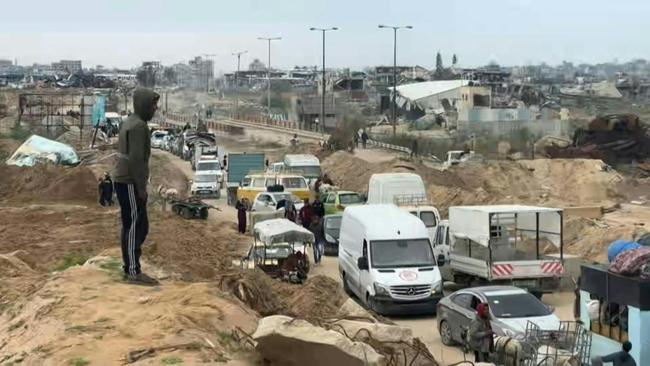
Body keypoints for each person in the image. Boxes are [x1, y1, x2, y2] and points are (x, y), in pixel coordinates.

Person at [114, 88, 160, 286]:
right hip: (130, 181)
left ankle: (131, 265)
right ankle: (132, 271)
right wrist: (141, 187)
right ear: (143, 105)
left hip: (126, 180)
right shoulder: (139, 126)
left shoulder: (130, 121)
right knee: (134, 226)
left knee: (138, 225)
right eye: (153, 105)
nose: (155, 108)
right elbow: (136, 160)